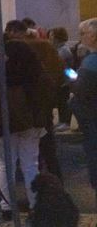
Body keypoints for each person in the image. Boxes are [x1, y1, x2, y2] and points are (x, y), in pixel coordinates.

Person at [0, 20, 45, 221]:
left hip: (3, 122)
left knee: (5, 165)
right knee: (30, 164)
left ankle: (7, 205)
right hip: (30, 121)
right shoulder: (34, 74)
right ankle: (35, 204)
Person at [7, 20, 64, 179]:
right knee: (48, 147)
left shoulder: (15, 49)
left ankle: (36, 188)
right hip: (44, 102)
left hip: (22, 105)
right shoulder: (46, 46)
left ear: (13, 31)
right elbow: (60, 71)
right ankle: (56, 183)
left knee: (26, 153)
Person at [69, 18, 97, 206]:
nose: (81, 38)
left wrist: (72, 98)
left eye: (83, 34)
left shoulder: (90, 63)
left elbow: (81, 96)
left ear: (94, 37)